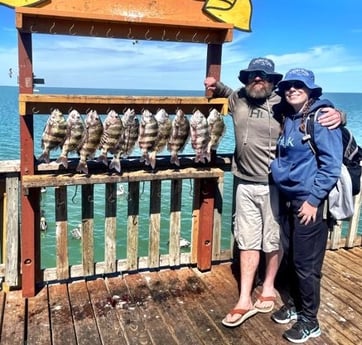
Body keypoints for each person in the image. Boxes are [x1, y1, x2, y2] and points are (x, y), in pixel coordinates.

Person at [203, 57, 343, 328]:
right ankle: (244, 298)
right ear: (246, 79)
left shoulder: (281, 103)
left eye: (264, 76)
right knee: (247, 240)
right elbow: (226, 91)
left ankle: (269, 287)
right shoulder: (238, 99)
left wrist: (339, 114)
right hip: (243, 182)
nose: (258, 79)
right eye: (253, 75)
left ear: (273, 82)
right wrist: (214, 84)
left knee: (273, 240)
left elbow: (313, 109)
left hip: (274, 185)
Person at [270, 68, 342, 343]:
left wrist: (313, 201)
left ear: (310, 90)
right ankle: (294, 305)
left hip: (309, 203)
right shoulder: (289, 117)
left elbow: (331, 166)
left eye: (299, 85)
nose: (292, 89)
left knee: (306, 264)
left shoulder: (322, 119)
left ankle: (310, 321)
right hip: (290, 199)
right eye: (288, 86)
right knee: (289, 258)